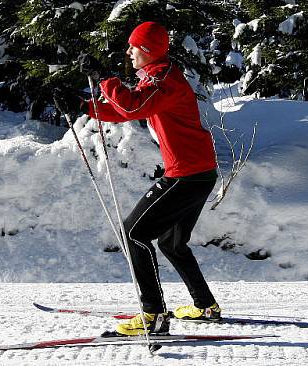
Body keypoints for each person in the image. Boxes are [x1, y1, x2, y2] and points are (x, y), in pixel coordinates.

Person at [87, 21, 221, 336]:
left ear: (147, 51)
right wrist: (85, 107)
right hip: (197, 171)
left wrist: (105, 78)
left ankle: (154, 315)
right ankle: (206, 306)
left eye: (134, 47)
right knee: (173, 242)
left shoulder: (164, 79)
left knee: (133, 233)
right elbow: (126, 109)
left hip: (187, 174)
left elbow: (133, 106)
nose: (129, 51)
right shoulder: (159, 78)